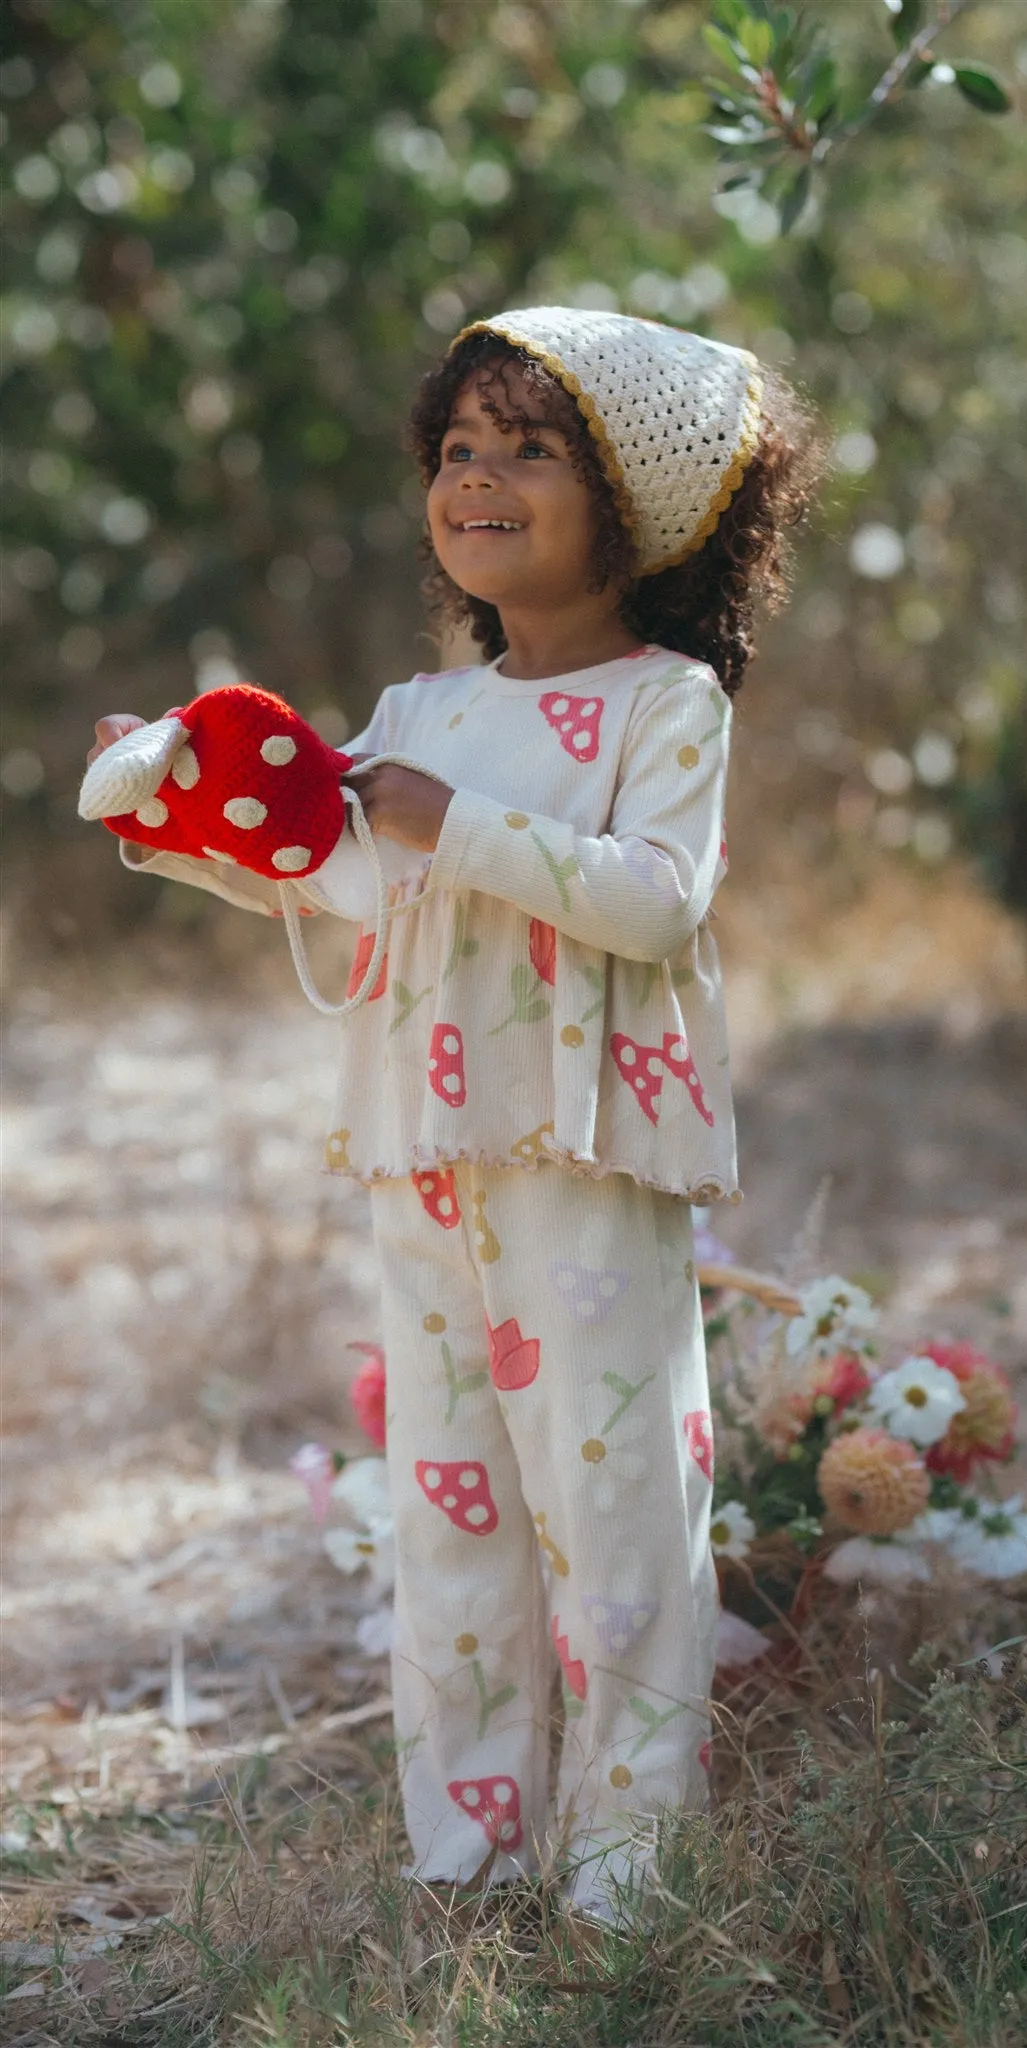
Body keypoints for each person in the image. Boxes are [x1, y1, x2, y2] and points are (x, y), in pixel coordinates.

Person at [88, 307, 820, 1924]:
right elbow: (341, 876)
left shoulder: (665, 706)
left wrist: (462, 825)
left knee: (618, 1498)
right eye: (457, 451)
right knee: (454, 1503)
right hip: (426, 1152)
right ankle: (467, 1845)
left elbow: (655, 903)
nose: (476, 479)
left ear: (634, 500)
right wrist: (175, 823)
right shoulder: (415, 713)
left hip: (584, 1151)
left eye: (527, 448)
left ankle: (628, 1865)